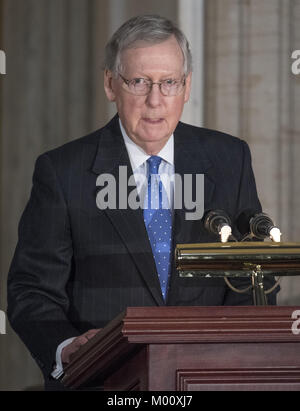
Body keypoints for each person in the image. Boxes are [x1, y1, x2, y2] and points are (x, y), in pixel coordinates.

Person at [7, 14, 278, 389]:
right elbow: (31, 290)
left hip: (208, 380)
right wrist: (66, 347)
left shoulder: (229, 159)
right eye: (138, 82)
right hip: (102, 382)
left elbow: (252, 276)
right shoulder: (62, 171)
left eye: (168, 83)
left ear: (186, 87)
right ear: (110, 84)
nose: (155, 100)